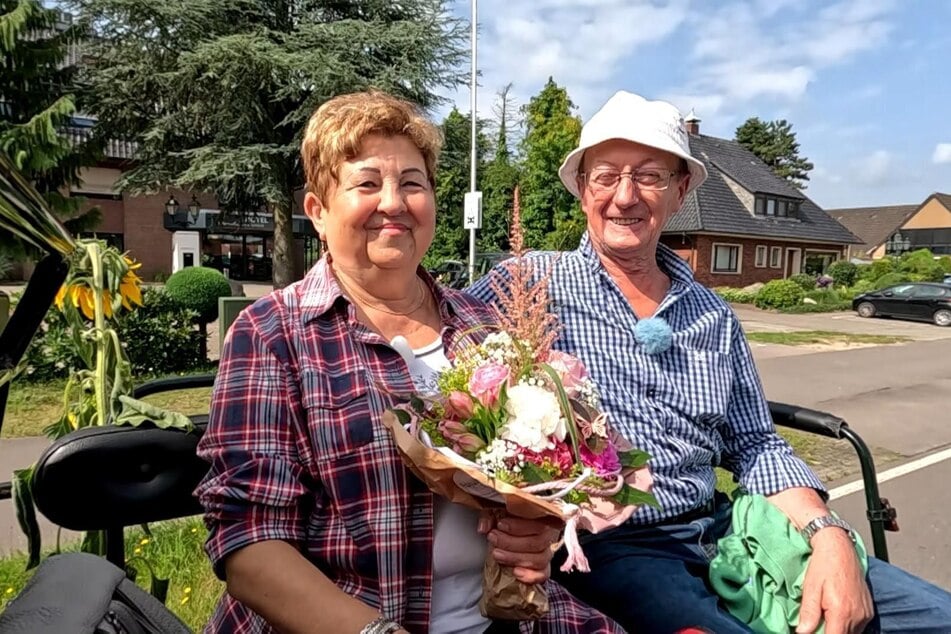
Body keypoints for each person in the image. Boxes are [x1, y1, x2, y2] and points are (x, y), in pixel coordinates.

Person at [468, 90, 951, 634]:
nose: (624, 196)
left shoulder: (713, 313)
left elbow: (756, 443)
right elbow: (428, 336)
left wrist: (830, 535)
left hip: (726, 528)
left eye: (649, 177)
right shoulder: (527, 284)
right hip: (615, 548)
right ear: (583, 189)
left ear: (679, 193)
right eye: (606, 176)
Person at [194, 90, 622, 634]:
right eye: (367, 183)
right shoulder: (272, 334)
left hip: (503, 616)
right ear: (318, 212)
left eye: (412, 183)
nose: (393, 202)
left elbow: (537, 475)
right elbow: (249, 545)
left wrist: (536, 529)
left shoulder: (483, 324)